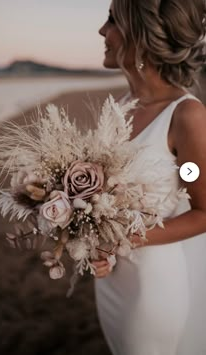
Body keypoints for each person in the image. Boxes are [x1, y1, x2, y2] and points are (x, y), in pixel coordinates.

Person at [92, 1, 206, 354]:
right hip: (113, 281)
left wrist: (127, 237)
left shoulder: (186, 115)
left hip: (154, 285)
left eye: (112, 20)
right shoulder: (120, 105)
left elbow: (205, 212)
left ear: (140, 37)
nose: (101, 31)